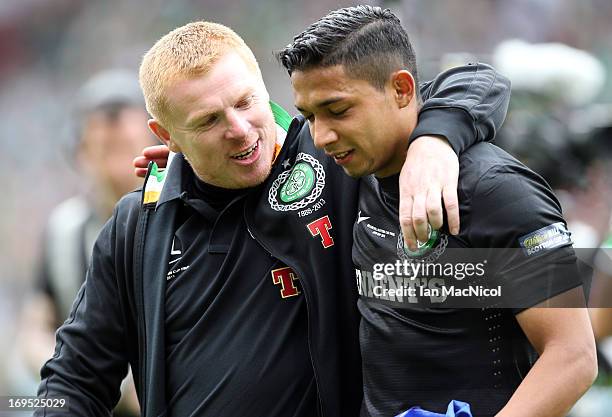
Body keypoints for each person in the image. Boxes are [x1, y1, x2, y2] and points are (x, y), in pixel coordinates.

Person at [36, 20, 509, 417]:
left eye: (245, 103)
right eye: (207, 122)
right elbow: (75, 377)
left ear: (265, 89)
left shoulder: (334, 159)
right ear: (167, 135)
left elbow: (480, 81)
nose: (239, 131)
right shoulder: (138, 224)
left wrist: (435, 140)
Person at [277, 5, 597, 417]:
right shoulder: (356, 172)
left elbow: (572, 357)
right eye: (310, 116)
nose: (320, 137)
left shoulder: (494, 190)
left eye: (338, 110)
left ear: (402, 91)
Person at [13, 69, 153, 416]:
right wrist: (76, 373)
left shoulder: (184, 218)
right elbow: (34, 329)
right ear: (81, 153)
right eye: (105, 147)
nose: (118, 162)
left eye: (126, 145)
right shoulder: (63, 230)